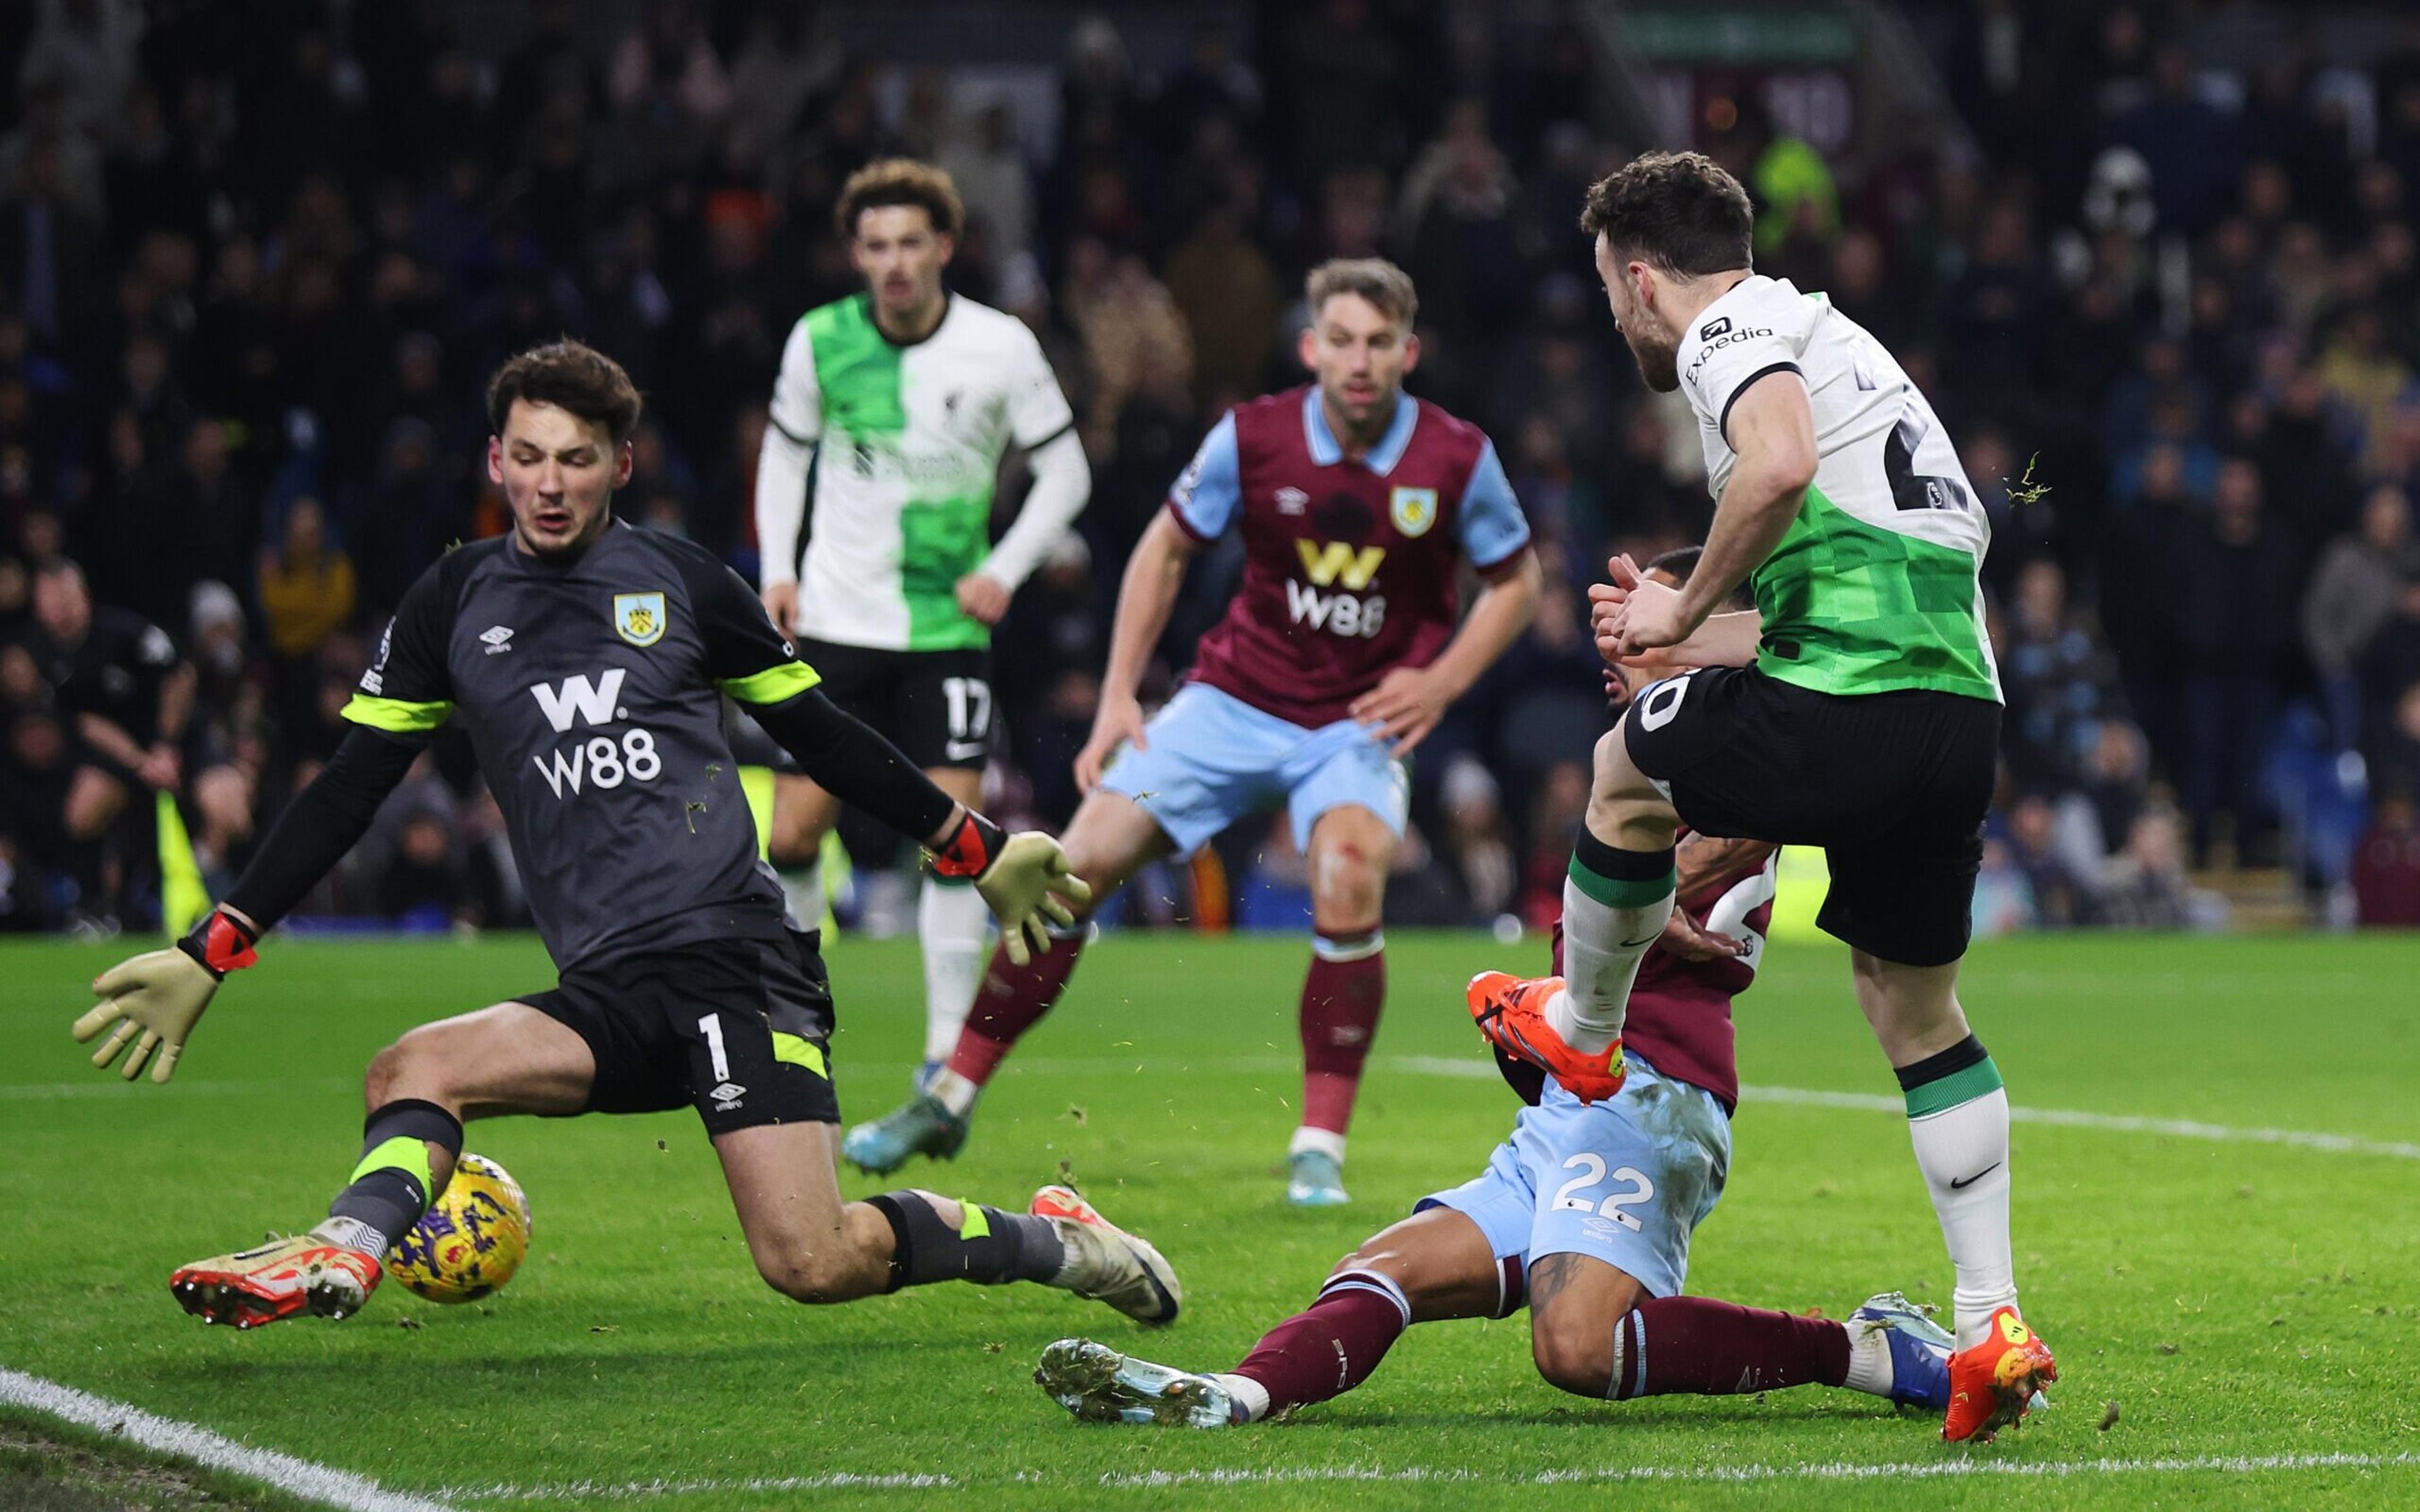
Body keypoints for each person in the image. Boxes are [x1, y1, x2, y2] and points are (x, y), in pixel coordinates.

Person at [70, 340, 1177, 1335]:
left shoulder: (685, 582)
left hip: (738, 965)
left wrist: (975, 847)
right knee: (413, 1067)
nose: (552, 484)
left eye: (579, 459)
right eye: (530, 456)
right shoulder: (451, 603)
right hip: (607, 989)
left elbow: (822, 737)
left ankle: (1059, 1244)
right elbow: (348, 788)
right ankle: (344, 1252)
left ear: (621, 467)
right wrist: (214, 944)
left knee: (812, 1260)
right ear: (495, 461)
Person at [1035, 549, 1957, 1431]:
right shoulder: (1643, 765)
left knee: (1576, 1346)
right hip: (1575, 1098)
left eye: (1646, 625)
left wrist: (1663, 872)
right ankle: (1232, 1395)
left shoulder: (1736, 765)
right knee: (1381, 1269)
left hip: (1653, 1093)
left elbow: (1760, 798)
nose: (1617, 646)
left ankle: (1861, 1351)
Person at [1469, 152, 2056, 1442]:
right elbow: (1868, 592)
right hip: (1954, 715)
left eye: (1613, 294)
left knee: (1622, 776)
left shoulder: (1731, 330)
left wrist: (1679, 607)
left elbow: (1778, 467)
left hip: (1852, 703)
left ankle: (1582, 1019)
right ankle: (1989, 1320)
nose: (1622, 321)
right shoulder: (1852, 350)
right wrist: (1695, 635)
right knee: (1914, 1009)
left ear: (1636, 278)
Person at [846, 258, 1543, 1206]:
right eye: (1340, 340)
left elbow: (1517, 580)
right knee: (1070, 870)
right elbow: (1165, 548)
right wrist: (1121, 696)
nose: (1360, 361)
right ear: (1310, 348)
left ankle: (1318, 1151)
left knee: (1345, 875)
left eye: (1380, 343)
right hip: (1228, 700)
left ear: (1409, 353)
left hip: (1353, 723)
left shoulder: (1457, 457)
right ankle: (952, 1093)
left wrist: (1443, 679)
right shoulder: (1251, 438)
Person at [754, 159, 1092, 1097]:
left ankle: (945, 1042)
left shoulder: (1001, 347)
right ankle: (793, 1013)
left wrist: (1004, 567)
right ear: (855, 254)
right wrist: (776, 570)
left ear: (944, 247)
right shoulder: (818, 341)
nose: (894, 262)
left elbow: (1067, 474)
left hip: (945, 626)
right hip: (832, 617)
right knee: (792, 833)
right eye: (876, 246)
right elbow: (783, 463)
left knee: (954, 837)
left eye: (910, 243)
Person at [21, 556, 193, 927]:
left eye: (66, 601)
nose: (60, 613)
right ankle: (101, 907)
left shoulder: (125, 633)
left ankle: (236, 901)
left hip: (178, 741)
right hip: (124, 755)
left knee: (223, 801)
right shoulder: (46, 654)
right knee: (82, 812)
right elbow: (86, 724)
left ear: (85, 597)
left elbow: (178, 677)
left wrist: (165, 744)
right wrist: (142, 762)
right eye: (50, 605)